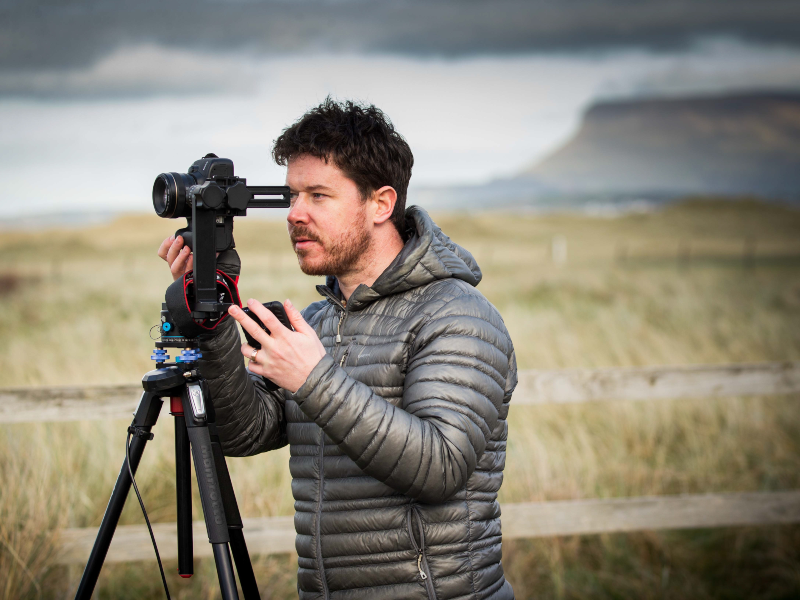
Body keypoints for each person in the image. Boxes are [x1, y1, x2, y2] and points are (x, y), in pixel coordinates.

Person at [158, 99, 517, 600]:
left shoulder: (458, 316)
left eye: (318, 195)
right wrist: (214, 311)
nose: (295, 214)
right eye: (292, 195)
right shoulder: (317, 321)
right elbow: (244, 433)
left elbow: (441, 467)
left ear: (381, 203)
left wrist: (313, 378)